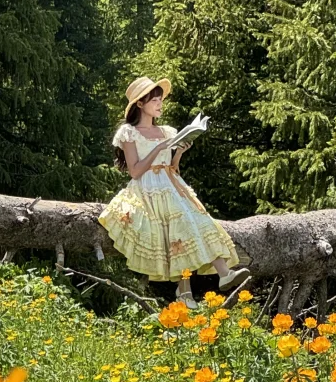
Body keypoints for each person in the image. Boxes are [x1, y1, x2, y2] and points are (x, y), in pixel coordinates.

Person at [98, 76, 246, 301]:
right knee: (174, 232)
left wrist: (179, 153)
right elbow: (135, 171)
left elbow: (172, 167)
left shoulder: (167, 131)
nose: (160, 104)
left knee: (199, 221)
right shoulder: (129, 132)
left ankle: (224, 274)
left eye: (160, 99)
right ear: (140, 104)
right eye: (154, 100)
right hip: (147, 188)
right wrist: (159, 149)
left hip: (171, 184)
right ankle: (184, 290)